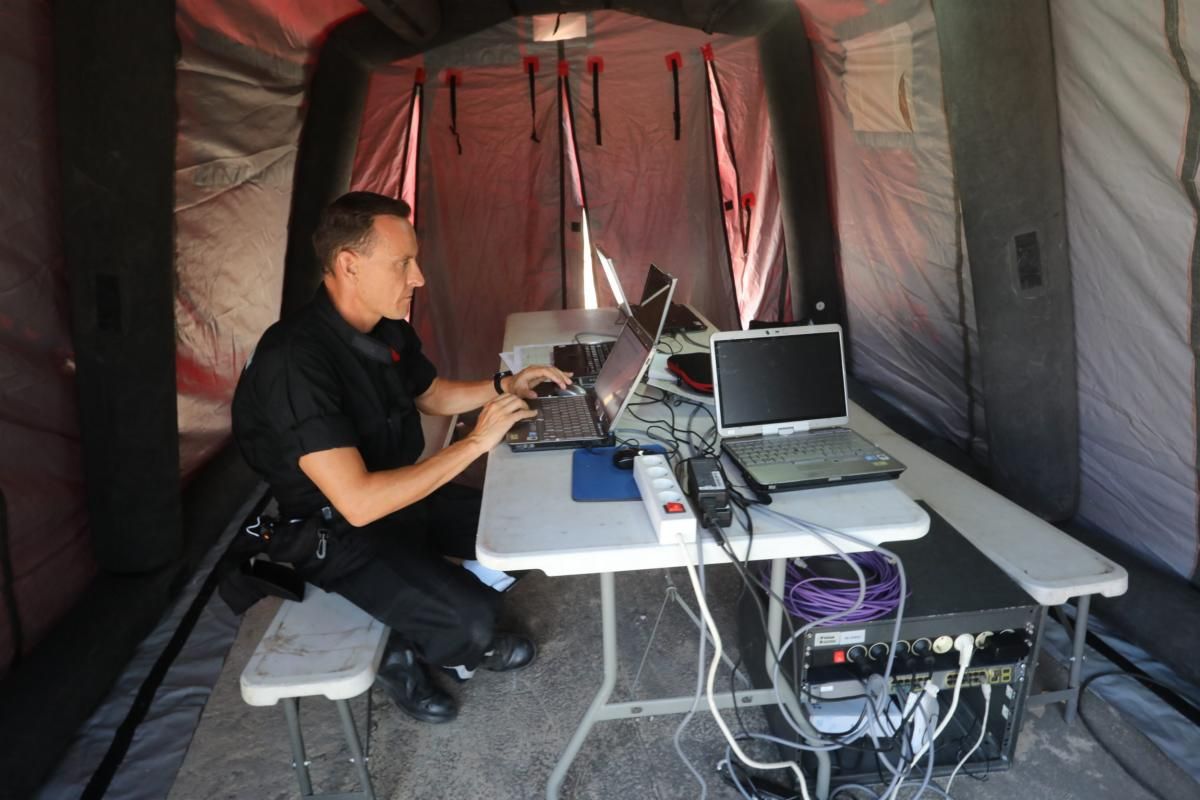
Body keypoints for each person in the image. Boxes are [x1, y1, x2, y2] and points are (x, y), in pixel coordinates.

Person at [231, 191, 571, 723]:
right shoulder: (296, 362)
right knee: (474, 621)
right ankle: (411, 644)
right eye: (402, 264)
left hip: (402, 492)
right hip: (337, 527)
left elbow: (429, 393)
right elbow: (360, 504)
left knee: (537, 528)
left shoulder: (384, 327)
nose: (418, 278)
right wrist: (475, 443)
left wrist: (504, 384)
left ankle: (426, 606)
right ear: (349, 264)